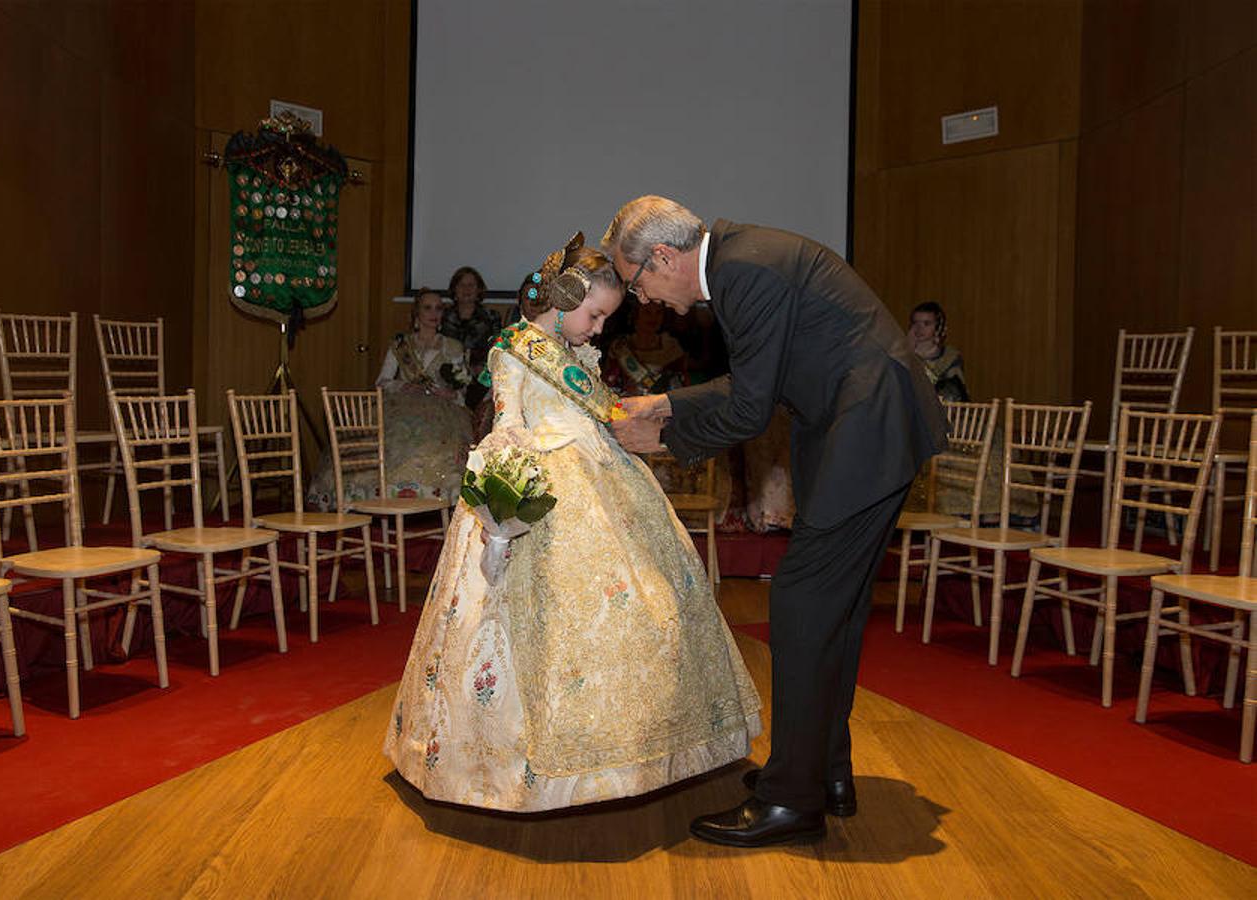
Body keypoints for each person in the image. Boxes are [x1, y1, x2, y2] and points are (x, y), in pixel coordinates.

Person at [605, 196, 946, 847]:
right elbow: (755, 383)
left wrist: (663, 442)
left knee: (799, 606)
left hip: (867, 429)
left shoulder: (745, 271)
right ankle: (824, 775)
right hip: (863, 427)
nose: (643, 299)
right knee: (832, 615)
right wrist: (666, 403)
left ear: (665, 256)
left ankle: (794, 801)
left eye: (637, 280)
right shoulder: (743, 260)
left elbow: (752, 408)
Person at [383, 233, 760, 812]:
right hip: (542, 492)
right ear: (563, 299)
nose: (600, 329)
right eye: (595, 315)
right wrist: (502, 510)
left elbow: (597, 411)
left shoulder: (573, 351)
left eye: (607, 318)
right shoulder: (515, 348)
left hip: (603, 479)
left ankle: (639, 750)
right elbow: (507, 426)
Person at [309, 289, 471, 510]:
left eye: (439, 308)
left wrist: (449, 393)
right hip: (402, 405)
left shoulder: (452, 347)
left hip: (441, 410)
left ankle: (435, 498)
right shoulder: (400, 344)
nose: (434, 313)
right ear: (416, 312)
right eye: (427, 307)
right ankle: (369, 497)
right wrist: (405, 385)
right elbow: (382, 382)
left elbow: (461, 390)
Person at [439, 265, 502, 409]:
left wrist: (483, 368)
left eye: (471, 285)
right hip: (447, 374)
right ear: (454, 289)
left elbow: (498, 349)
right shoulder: (442, 316)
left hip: (481, 376)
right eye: (461, 285)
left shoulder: (491, 317)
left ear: (479, 289)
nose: (466, 289)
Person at [908, 301, 969, 402]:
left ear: (938, 327)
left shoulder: (950, 357)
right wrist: (907, 351)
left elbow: (955, 395)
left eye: (926, 323)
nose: (919, 328)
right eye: (915, 323)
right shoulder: (902, 353)